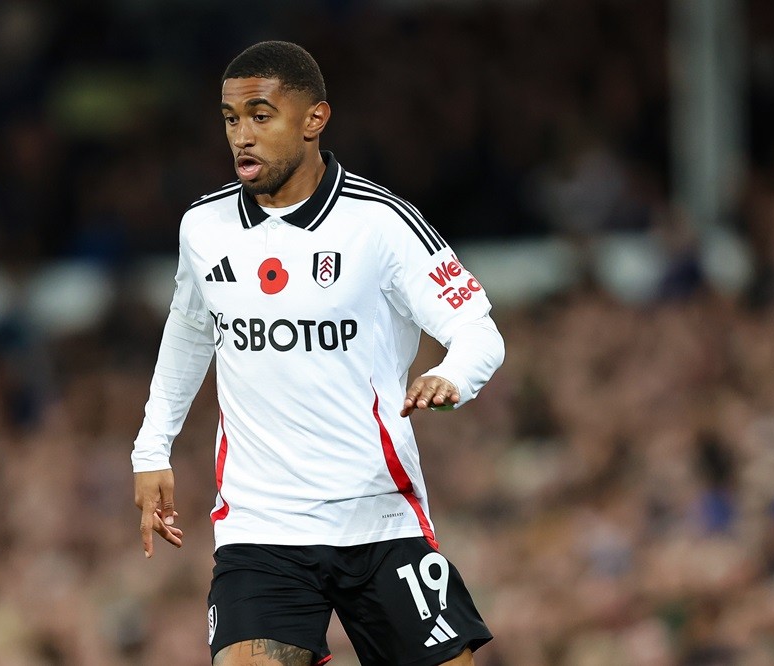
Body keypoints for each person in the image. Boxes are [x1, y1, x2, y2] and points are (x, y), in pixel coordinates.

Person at [132, 41, 505, 666]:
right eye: (230, 119)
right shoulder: (204, 226)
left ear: (313, 120)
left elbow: (479, 331)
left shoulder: (380, 223)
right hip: (261, 529)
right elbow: (191, 333)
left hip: (378, 520)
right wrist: (151, 447)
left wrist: (451, 374)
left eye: (260, 114)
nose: (241, 136)